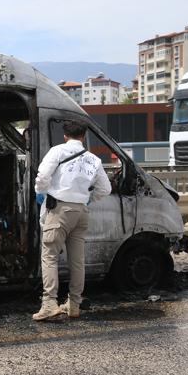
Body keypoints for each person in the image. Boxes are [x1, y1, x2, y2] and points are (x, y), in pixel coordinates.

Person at [33, 120, 111, 321]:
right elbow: (105, 188)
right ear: (83, 136)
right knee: (77, 261)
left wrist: (41, 192)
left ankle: (49, 304)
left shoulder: (57, 151)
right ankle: (74, 304)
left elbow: (42, 176)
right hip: (81, 211)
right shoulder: (94, 159)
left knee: (49, 256)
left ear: (65, 136)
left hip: (59, 210)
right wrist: (88, 199)